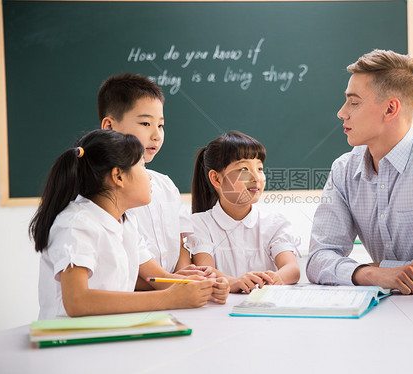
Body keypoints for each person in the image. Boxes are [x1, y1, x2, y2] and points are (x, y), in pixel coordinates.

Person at [307, 49, 413, 293]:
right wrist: (371, 274)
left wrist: (387, 268)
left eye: (354, 102)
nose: (342, 112)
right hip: (382, 313)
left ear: (390, 109)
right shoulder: (344, 170)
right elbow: (318, 258)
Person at [30, 130, 215, 320]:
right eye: (142, 167)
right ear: (118, 176)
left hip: (109, 331)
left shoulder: (126, 222)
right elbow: (77, 301)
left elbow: (155, 279)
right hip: (66, 342)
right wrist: (169, 299)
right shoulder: (76, 224)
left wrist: (204, 285)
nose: (150, 177)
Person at [98, 73, 219, 289]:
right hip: (132, 297)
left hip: (169, 292)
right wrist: (176, 284)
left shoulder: (165, 185)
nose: (156, 135)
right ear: (109, 127)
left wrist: (183, 274)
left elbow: (180, 243)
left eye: (161, 126)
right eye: (145, 123)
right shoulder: (103, 191)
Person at [186, 131, 300, 293]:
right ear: (217, 179)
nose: (256, 177)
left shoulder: (274, 222)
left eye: (260, 168)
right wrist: (235, 282)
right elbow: (205, 271)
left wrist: (277, 278)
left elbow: (292, 268)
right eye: (244, 169)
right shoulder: (198, 224)